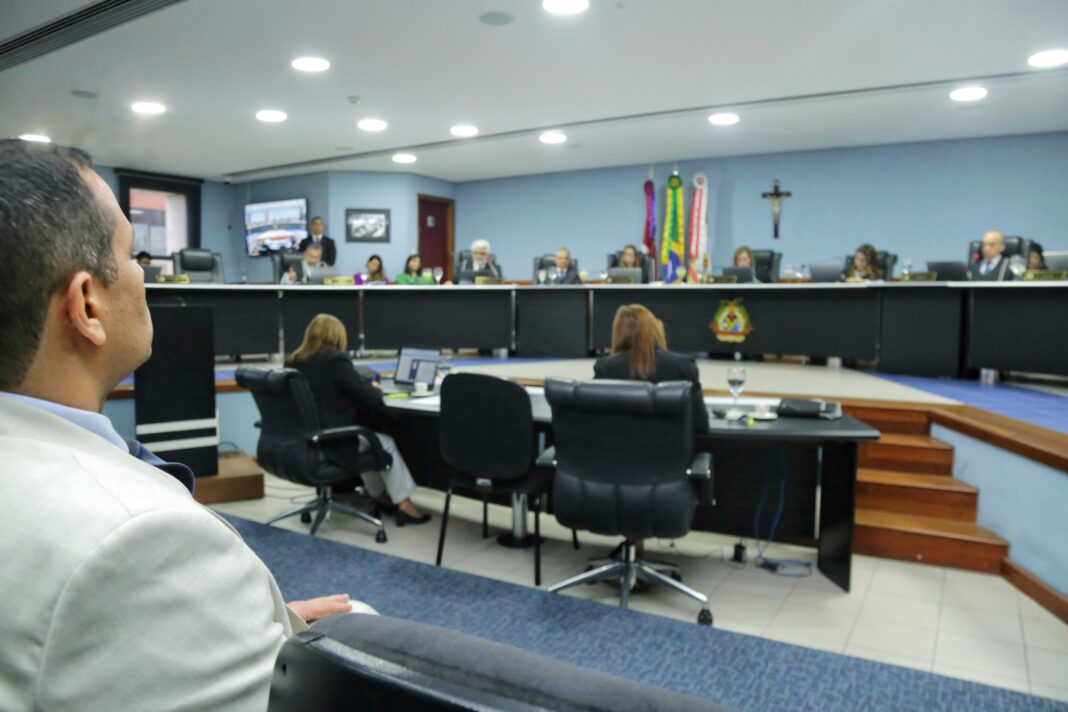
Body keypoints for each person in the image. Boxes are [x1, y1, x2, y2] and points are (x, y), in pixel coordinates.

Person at [0, 139, 360, 711]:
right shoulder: (141, 538)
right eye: (130, 254)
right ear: (87, 306)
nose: (144, 275)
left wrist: (245, 625)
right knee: (362, 619)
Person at [286, 314, 430, 526]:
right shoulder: (335, 360)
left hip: (305, 440)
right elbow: (370, 397)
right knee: (384, 443)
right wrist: (374, 388)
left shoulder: (294, 361)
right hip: (332, 441)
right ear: (337, 337)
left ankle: (378, 495)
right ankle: (405, 504)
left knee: (369, 440)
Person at [593, 305, 709, 434]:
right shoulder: (682, 365)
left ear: (617, 332)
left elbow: (594, 423)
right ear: (654, 329)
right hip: (669, 446)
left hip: (617, 445)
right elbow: (700, 425)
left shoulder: (605, 368)